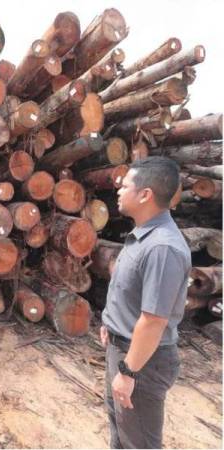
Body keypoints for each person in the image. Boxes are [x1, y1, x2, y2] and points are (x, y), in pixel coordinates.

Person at [100, 156, 192, 448]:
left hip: (142, 362)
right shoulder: (144, 235)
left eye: (125, 185)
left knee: (138, 444)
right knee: (121, 435)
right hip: (124, 350)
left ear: (145, 195)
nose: (118, 190)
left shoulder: (162, 247)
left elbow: (154, 320)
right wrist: (109, 322)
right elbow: (130, 291)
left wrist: (128, 372)